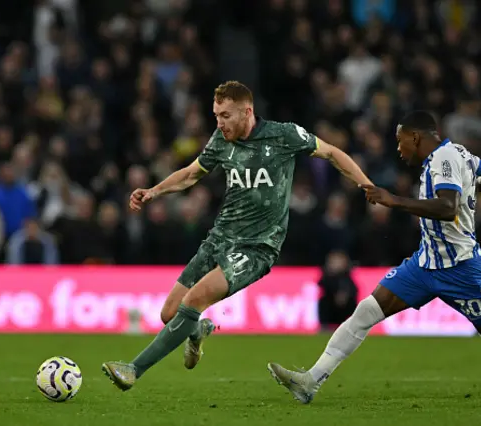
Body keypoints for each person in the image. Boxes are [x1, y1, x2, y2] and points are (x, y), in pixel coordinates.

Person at [267, 110, 481, 404]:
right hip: (424, 263)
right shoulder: (456, 154)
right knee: (367, 311)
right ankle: (310, 381)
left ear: (416, 137)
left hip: (462, 270)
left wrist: (393, 200)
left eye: (401, 141)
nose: (398, 149)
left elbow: (446, 208)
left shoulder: (444, 159)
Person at [101, 81, 373, 391]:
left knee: (195, 298)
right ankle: (198, 329)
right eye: (216, 115)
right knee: (170, 314)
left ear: (247, 112)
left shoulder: (284, 135)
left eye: (226, 115)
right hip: (219, 238)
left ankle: (133, 369)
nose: (219, 122)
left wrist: (366, 185)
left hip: (257, 247)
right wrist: (154, 191)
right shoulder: (221, 140)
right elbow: (191, 173)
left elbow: (333, 153)